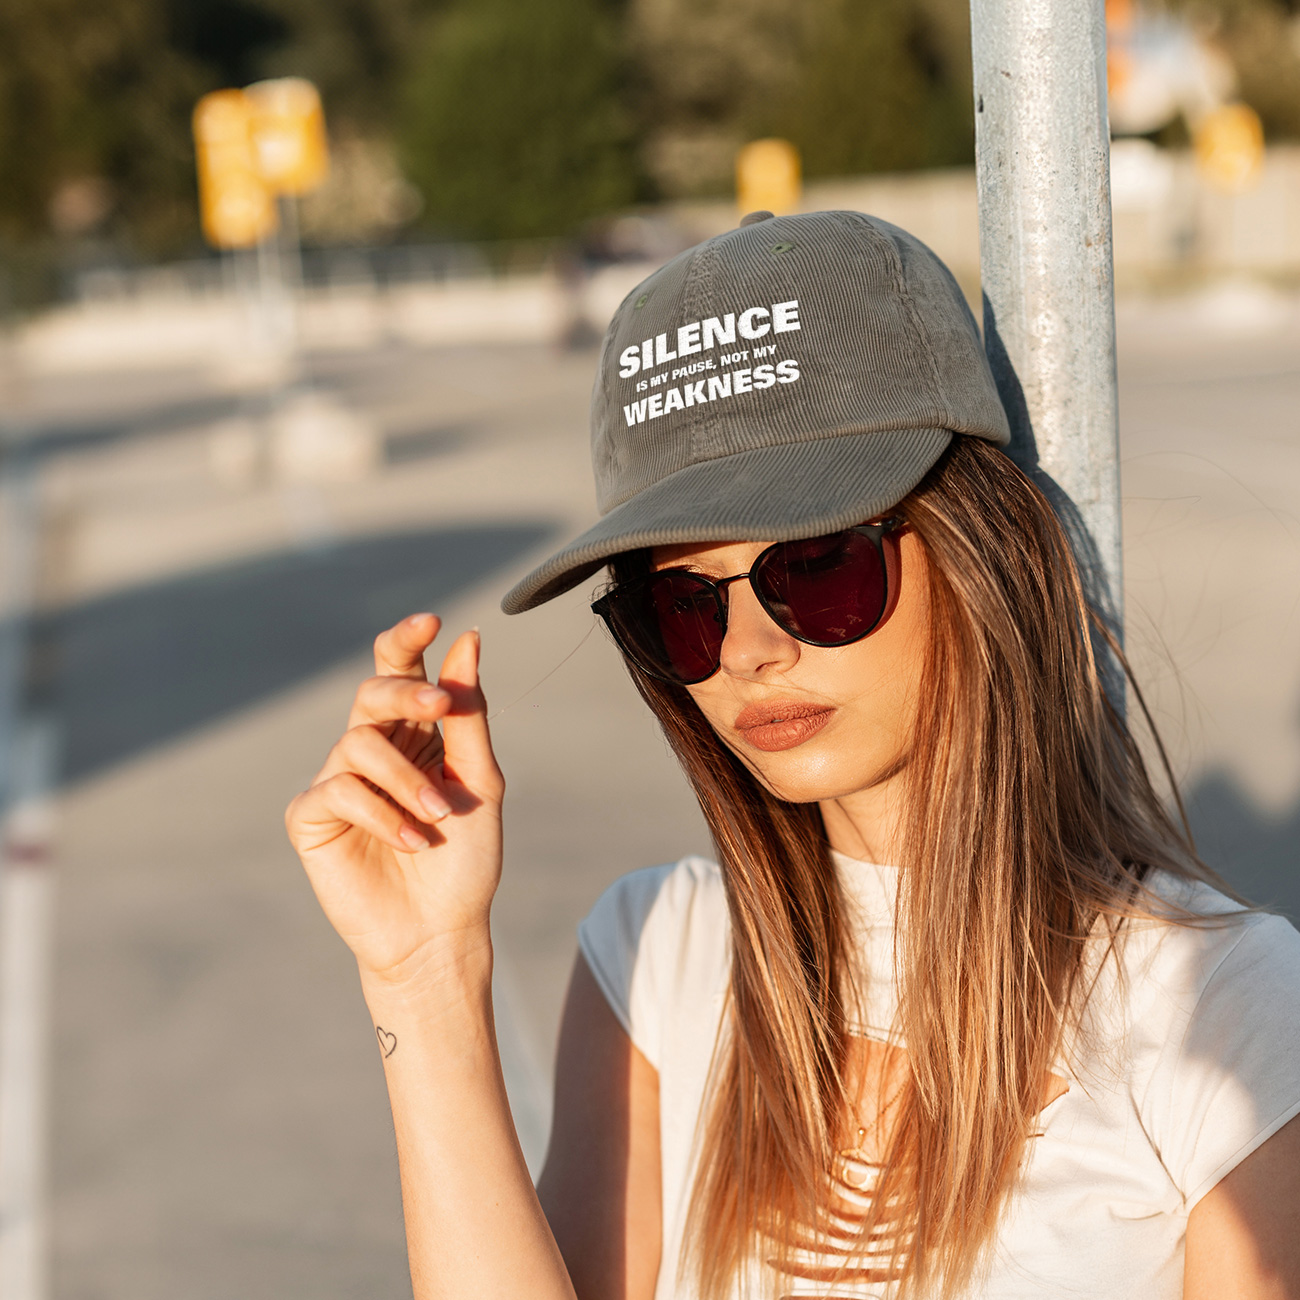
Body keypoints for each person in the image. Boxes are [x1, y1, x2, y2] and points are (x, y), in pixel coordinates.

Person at [285, 211, 1300, 1299]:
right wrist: (423, 973)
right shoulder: (656, 953)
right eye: (682, 608)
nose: (751, 654)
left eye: (818, 569)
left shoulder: (1223, 1005)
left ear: (981, 555)